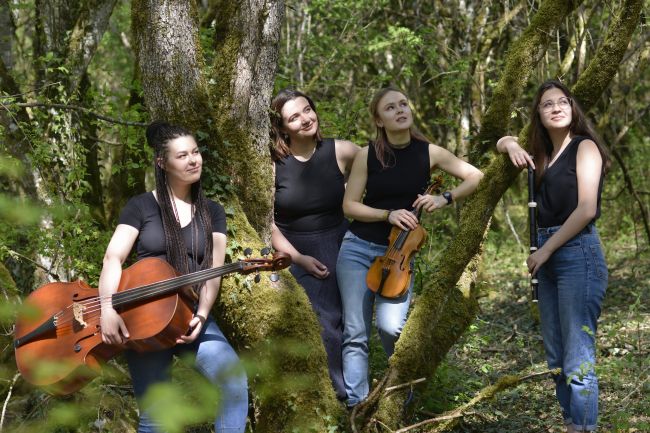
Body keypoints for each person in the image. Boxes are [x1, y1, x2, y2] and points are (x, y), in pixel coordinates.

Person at [337, 86, 483, 407]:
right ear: (379, 119)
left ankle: (399, 395)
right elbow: (350, 206)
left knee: (391, 328)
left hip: (400, 253)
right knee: (355, 334)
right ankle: (357, 406)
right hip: (358, 248)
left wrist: (444, 198)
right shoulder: (367, 155)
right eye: (390, 108)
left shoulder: (429, 153)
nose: (400, 110)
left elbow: (476, 176)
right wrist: (388, 214)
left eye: (403, 104)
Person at [98, 121, 248, 433]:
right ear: (161, 163)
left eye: (195, 152)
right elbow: (113, 258)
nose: (193, 160)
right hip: (142, 321)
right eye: (182, 156)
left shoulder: (212, 211)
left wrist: (203, 314)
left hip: (190, 315)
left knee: (232, 380)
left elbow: (212, 271)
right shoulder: (141, 206)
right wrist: (108, 309)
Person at [497, 79, 609, 433]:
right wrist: (511, 143)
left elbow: (587, 208)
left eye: (563, 101)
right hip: (547, 257)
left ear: (573, 108)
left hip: (577, 253)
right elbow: (498, 140)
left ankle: (583, 428)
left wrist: (545, 249)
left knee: (577, 359)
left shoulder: (584, 147)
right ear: (539, 115)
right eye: (548, 104)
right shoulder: (541, 154)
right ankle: (572, 424)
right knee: (557, 359)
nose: (557, 107)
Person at [269, 89, 359, 400]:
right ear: (282, 128)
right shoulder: (273, 164)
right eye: (294, 117)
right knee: (323, 322)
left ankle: (355, 391)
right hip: (295, 250)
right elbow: (267, 221)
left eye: (307, 110)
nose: (306, 119)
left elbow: (384, 169)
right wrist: (297, 258)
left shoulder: (341, 150)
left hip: (343, 241)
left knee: (352, 322)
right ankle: (335, 394)